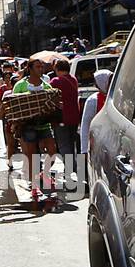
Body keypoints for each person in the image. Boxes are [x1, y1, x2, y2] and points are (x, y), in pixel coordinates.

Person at [3, 59, 60, 198]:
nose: (41, 69)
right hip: (27, 126)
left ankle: (44, 174)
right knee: (32, 157)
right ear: (30, 68)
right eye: (38, 66)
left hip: (44, 124)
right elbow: (14, 106)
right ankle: (35, 187)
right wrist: (15, 125)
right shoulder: (20, 85)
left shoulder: (46, 85)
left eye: (42, 67)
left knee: (52, 151)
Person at [49, 58, 82, 195]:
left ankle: (71, 176)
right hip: (74, 117)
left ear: (56, 69)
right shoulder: (73, 79)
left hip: (61, 118)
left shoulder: (55, 81)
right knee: (71, 146)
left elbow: (49, 98)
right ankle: (74, 173)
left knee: (64, 147)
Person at [79, 69, 112, 197]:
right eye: (108, 81)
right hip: (97, 143)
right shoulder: (93, 100)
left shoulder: (116, 97)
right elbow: (86, 124)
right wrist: (84, 148)